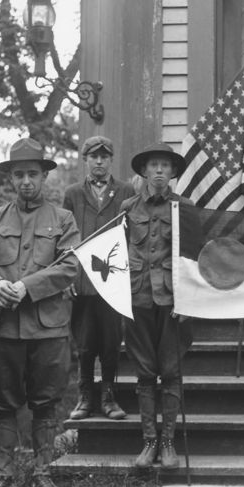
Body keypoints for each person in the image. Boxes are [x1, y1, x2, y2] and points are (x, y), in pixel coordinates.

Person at [0, 138, 79, 487]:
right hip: (3, 328)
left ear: (45, 176)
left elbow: (69, 267)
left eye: (33, 173)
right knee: (3, 402)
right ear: (10, 179)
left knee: (46, 401)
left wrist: (26, 287)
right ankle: (3, 478)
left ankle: (43, 475)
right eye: (19, 175)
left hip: (48, 329)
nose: (26, 181)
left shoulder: (63, 219)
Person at [121, 143, 194, 470]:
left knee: (171, 370)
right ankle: (148, 442)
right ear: (145, 172)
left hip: (173, 301)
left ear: (173, 172)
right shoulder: (127, 207)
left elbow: (195, 257)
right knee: (145, 372)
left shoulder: (185, 207)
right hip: (137, 299)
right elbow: (116, 256)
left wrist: (188, 299)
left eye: (166, 166)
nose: (160, 171)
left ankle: (168, 443)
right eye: (154, 166)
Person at [64, 135, 137, 421]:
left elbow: (131, 233)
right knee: (84, 342)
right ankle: (85, 397)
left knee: (110, 341)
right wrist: (67, 274)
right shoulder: (73, 193)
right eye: (93, 156)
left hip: (113, 277)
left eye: (104, 157)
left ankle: (108, 396)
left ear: (110, 160)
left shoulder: (125, 190)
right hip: (82, 279)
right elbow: (65, 238)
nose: (99, 161)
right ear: (85, 160)